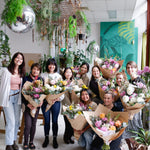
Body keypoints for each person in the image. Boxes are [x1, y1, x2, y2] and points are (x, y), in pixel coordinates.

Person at [0, 52, 25, 150]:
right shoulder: (6, 71)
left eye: (21, 59)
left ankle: (13, 140)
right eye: (17, 58)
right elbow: (2, 87)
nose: (19, 60)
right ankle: (8, 144)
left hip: (17, 98)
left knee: (17, 121)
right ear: (14, 58)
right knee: (11, 121)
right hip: (8, 98)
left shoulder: (21, 72)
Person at [41, 58, 64, 149]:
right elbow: (40, 89)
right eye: (50, 64)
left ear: (55, 66)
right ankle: (46, 137)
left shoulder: (58, 76)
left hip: (55, 102)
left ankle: (55, 138)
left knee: (55, 121)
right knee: (46, 121)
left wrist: (58, 98)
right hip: (45, 102)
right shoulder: (43, 75)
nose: (51, 66)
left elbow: (62, 90)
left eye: (53, 65)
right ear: (47, 65)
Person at [123, 61, 145, 149]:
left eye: (132, 67)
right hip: (129, 109)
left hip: (136, 110)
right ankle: (130, 147)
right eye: (128, 68)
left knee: (135, 129)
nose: (130, 69)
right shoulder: (129, 81)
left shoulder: (140, 81)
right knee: (126, 130)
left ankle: (138, 146)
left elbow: (143, 96)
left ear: (136, 69)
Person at [22, 63, 43, 150]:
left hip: (37, 106)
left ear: (39, 71)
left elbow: (44, 92)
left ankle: (31, 142)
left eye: (38, 70)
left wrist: (41, 101)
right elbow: (22, 93)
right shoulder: (26, 79)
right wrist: (27, 104)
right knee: (28, 124)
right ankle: (25, 142)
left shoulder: (41, 79)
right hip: (28, 106)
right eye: (34, 69)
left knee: (34, 124)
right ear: (31, 69)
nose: (35, 71)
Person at [62, 67, 78, 144]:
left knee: (72, 123)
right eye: (67, 72)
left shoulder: (75, 82)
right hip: (65, 105)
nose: (68, 74)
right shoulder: (61, 83)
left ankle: (70, 136)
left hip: (74, 105)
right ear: (64, 74)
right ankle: (66, 137)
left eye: (70, 72)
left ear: (72, 74)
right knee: (67, 122)